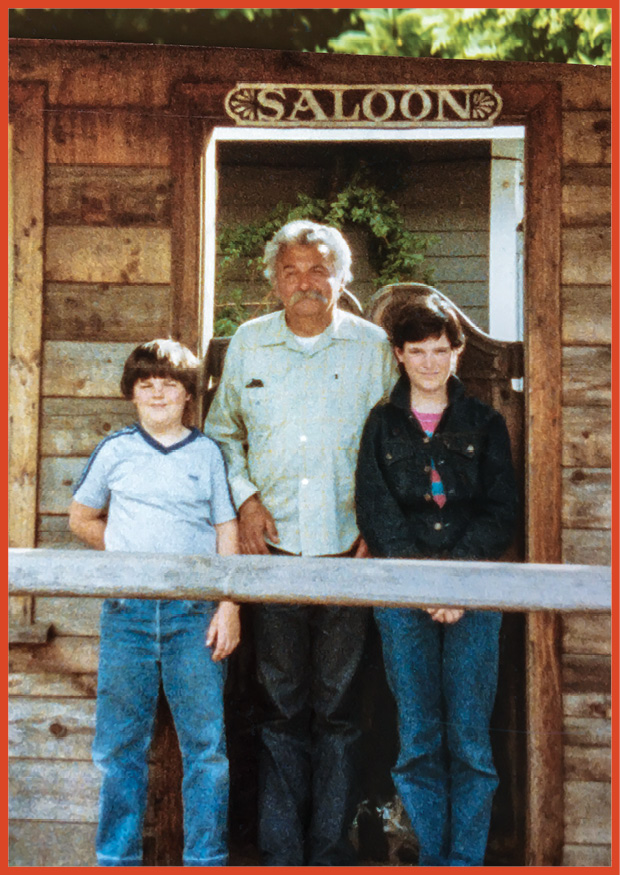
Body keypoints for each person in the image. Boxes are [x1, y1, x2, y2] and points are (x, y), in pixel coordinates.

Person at [204, 220, 396, 866]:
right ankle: (284, 854)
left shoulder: (373, 349)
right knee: (282, 710)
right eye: (291, 271)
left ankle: (330, 853)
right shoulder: (250, 346)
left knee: (341, 712)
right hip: (274, 562)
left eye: (319, 270)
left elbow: (396, 444)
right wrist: (247, 498)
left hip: (349, 555)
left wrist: (378, 526)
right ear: (273, 282)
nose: (306, 283)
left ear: (343, 278)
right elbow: (221, 436)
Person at [355, 292, 518, 866]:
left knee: (471, 741)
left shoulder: (485, 422)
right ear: (399, 355)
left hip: (474, 593)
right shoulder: (381, 424)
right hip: (405, 597)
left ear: (458, 352)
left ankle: (465, 861)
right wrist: (425, 585)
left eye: (440, 350)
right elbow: (376, 511)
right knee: (419, 739)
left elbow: (502, 510)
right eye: (417, 351)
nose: (429, 362)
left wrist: (456, 581)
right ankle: (429, 857)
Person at [69, 339, 240, 867]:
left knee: (206, 752)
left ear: (189, 396)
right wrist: (128, 554)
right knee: (119, 750)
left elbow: (226, 530)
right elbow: (82, 518)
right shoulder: (116, 450)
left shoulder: (208, 454)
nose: (159, 393)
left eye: (170, 385)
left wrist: (228, 606)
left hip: (194, 618)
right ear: (132, 395)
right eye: (147, 386)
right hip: (129, 615)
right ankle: (115, 858)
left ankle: (204, 858)